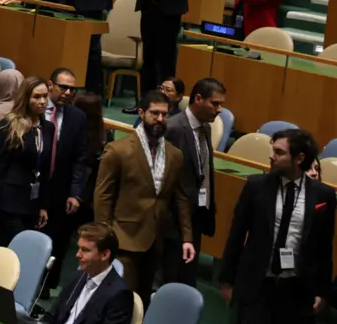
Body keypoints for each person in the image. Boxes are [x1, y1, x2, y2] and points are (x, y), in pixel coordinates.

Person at [221, 128, 335, 324]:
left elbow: (324, 248)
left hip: (293, 290)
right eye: (273, 149)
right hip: (258, 284)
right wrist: (227, 280)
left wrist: (322, 290)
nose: (272, 156)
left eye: (279, 152)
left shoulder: (323, 196)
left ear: (299, 158)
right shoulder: (256, 186)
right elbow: (235, 236)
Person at [94, 90, 195, 303]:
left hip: (155, 239)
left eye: (164, 114)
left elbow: (180, 199)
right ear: (141, 112)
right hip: (123, 237)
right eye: (154, 113)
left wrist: (187, 237)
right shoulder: (117, 150)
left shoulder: (175, 154)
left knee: (143, 299)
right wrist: (104, 235)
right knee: (122, 299)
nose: (160, 119)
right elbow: (103, 196)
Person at [163, 78, 225, 292]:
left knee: (187, 277)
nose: (219, 110)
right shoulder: (173, 128)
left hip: (196, 215)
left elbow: (203, 169)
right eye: (215, 103)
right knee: (169, 277)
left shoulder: (205, 128)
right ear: (198, 98)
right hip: (173, 220)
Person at [0, 76, 54, 246]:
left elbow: (44, 168)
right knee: (11, 247)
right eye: (36, 97)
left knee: (26, 249)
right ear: (25, 98)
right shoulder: (10, 124)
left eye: (45, 96)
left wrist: (44, 205)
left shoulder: (48, 128)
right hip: (10, 200)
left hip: (33, 201)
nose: (42, 101)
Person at [43, 67, 90, 288]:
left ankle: (45, 289)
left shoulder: (78, 117)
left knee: (57, 244)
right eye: (64, 87)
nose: (69, 93)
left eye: (73, 89)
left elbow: (81, 159)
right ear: (50, 85)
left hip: (61, 191)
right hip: (31, 188)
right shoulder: (36, 108)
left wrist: (76, 193)